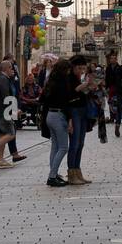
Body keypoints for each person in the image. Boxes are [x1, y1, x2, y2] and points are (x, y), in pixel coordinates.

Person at [40, 58, 72, 187]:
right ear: (65, 69)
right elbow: (66, 102)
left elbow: (42, 99)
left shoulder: (50, 81)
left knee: (55, 146)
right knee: (64, 147)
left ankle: (54, 173)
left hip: (50, 115)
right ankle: (52, 176)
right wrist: (69, 119)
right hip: (59, 116)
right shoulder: (63, 82)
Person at [66, 55, 93, 186]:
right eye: (79, 68)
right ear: (73, 67)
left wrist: (90, 88)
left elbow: (82, 92)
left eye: (83, 68)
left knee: (81, 143)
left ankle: (78, 171)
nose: (81, 70)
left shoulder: (79, 77)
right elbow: (73, 92)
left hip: (83, 110)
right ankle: (71, 173)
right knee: (74, 143)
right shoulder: (69, 78)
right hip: (74, 111)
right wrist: (85, 85)